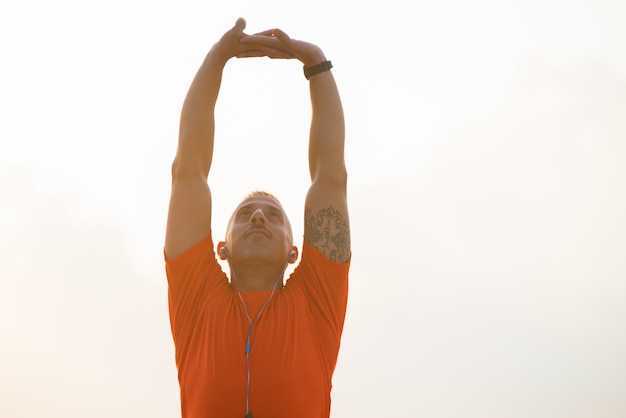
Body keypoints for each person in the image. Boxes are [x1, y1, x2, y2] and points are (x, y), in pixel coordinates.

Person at [164, 18, 351, 418]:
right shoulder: (196, 297)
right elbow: (188, 172)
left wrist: (317, 64)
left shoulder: (316, 300)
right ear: (221, 247)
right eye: (245, 214)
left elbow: (330, 178)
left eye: (274, 216)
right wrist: (217, 58)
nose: (260, 218)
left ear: (294, 252)